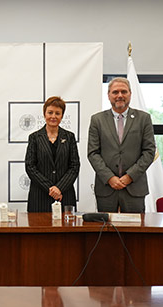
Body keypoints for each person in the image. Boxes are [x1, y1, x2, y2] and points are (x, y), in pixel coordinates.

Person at [88, 77, 156, 213]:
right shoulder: (97, 120)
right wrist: (110, 178)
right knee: (106, 232)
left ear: (130, 94)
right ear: (108, 95)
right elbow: (93, 153)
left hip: (134, 187)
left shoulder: (144, 118)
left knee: (135, 233)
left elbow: (149, 151)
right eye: (115, 92)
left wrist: (129, 176)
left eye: (124, 92)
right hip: (106, 188)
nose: (120, 95)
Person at [25, 96, 80, 212]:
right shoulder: (34, 138)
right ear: (44, 114)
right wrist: (51, 189)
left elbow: (74, 166)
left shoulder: (70, 137)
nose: (53, 116)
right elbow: (30, 167)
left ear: (62, 116)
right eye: (50, 112)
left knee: (66, 229)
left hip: (64, 195)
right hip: (40, 196)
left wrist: (59, 188)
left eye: (57, 113)